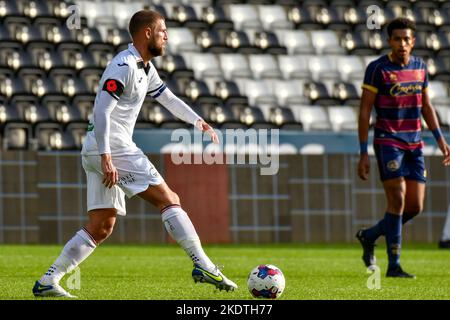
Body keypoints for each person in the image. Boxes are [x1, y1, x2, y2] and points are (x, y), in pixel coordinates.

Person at [33, 10, 237, 297]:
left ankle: (48, 281)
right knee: (169, 199)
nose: (167, 36)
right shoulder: (124, 65)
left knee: (102, 225)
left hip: (100, 148)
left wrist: (197, 121)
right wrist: (106, 156)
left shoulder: (145, 67)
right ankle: (202, 264)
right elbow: (102, 111)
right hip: (112, 147)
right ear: (147, 33)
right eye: (163, 30)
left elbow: (167, 98)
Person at [356, 17, 450, 278]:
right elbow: (364, 111)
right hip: (388, 140)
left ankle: (370, 235)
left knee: (414, 207)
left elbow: (426, 106)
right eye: (396, 39)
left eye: (406, 39)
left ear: (413, 41)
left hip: (415, 143)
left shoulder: (420, 67)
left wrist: (441, 139)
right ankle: (394, 265)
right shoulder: (377, 69)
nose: (402, 43)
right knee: (396, 199)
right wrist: (363, 151)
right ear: (389, 41)